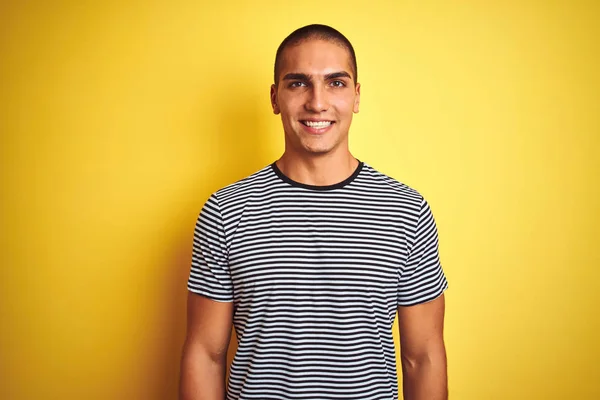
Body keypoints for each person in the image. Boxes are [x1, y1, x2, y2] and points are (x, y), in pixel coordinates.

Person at [180, 24, 449, 400]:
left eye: (336, 83)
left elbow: (423, 358)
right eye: (298, 83)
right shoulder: (226, 211)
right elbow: (205, 355)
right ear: (275, 98)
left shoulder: (405, 210)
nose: (317, 102)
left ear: (356, 96)